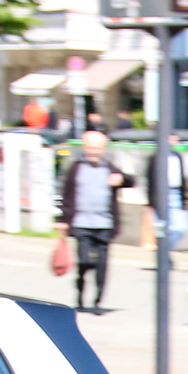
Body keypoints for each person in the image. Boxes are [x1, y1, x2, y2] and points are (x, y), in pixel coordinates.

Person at [54, 130, 133, 314]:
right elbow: (66, 195)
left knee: (102, 265)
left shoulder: (109, 167)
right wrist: (63, 220)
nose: (94, 152)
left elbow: (131, 180)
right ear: (84, 147)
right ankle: (80, 297)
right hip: (81, 222)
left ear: (103, 149)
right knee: (84, 260)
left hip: (105, 224)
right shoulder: (76, 168)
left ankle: (97, 301)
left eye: (97, 148)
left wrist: (121, 180)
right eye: (90, 148)